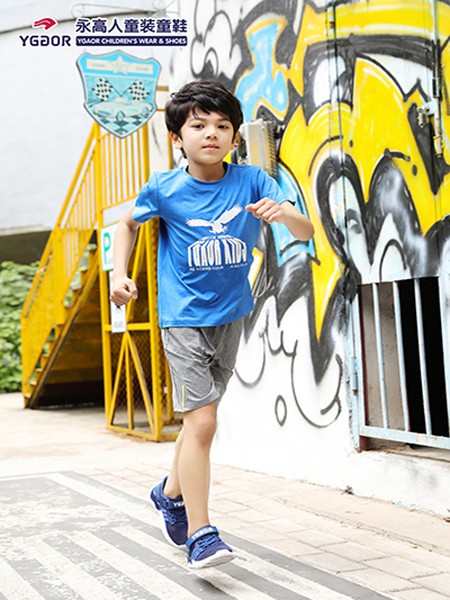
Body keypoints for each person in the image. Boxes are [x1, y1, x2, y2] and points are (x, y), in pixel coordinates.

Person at [110, 79, 314, 569]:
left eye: (223, 126)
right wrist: (120, 274)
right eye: (198, 125)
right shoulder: (165, 188)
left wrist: (284, 215)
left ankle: (168, 493)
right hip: (183, 318)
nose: (212, 134)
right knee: (203, 421)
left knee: (198, 420)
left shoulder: (253, 181)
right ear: (177, 138)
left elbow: (306, 230)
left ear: (235, 136)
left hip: (231, 315)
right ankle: (202, 534)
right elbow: (127, 224)